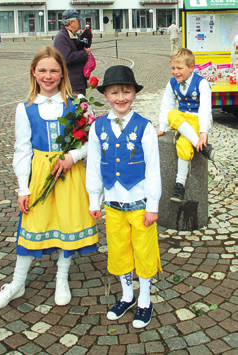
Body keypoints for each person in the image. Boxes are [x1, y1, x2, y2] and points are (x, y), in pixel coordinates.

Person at [0, 46, 98, 310]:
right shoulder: (24, 108)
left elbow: (91, 141)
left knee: (68, 223)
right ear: (34, 73)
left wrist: (73, 156)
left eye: (54, 71)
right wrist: (22, 189)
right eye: (42, 70)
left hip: (70, 172)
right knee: (32, 226)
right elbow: (22, 150)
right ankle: (17, 282)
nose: (48, 76)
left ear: (62, 74)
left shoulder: (77, 103)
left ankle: (62, 278)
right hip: (40, 174)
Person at [86, 65, 162, 329]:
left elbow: (153, 169)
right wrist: (94, 200)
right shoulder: (97, 128)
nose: (121, 98)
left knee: (144, 251)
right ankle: (127, 296)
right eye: (115, 92)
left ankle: (145, 300)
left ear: (135, 94)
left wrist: (153, 205)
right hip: (114, 204)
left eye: (127, 91)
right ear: (105, 95)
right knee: (119, 251)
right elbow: (94, 165)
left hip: (140, 204)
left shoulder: (145, 127)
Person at [157, 48, 214, 202]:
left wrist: (203, 132)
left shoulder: (201, 83)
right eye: (173, 68)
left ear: (191, 68)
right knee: (172, 114)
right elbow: (167, 104)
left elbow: (204, 109)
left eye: (179, 68)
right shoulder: (172, 83)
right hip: (181, 119)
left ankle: (179, 185)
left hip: (196, 119)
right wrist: (162, 127)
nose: (175, 72)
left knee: (183, 144)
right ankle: (202, 147)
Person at [54, 10, 90, 96]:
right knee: (75, 107)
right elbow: (67, 58)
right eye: (78, 21)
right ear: (71, 22)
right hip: (71, 83)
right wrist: (84, 53)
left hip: (77, 81)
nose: (79, 23)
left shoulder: (71, 35)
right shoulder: (61, 37)